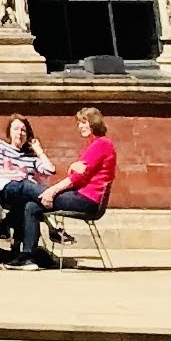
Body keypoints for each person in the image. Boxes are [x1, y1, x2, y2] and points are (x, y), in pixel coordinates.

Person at [0, 116, 47, 267]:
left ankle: (18, 249)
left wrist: (39, 151)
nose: (20, 133)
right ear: (9, 132)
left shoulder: (31, 156)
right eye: (16, 129)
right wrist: (19, 174)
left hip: (25, 193)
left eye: (23, 130)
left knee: (29, 206)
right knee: (23, 190)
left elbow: (50, 170)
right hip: (7, 190)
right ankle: (21, 250)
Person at [42, 105, 117, 251]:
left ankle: (25, 249)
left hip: (88, 200)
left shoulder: (101, 144)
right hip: (84, 197)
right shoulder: (96, 145)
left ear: (94, 122)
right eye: (79, 123)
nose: (80, 127)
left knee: (32, 192)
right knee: (31, 206)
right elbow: (80, 174)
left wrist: (52, 191)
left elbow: (77, 177)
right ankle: (32, 251)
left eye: (84, 122)